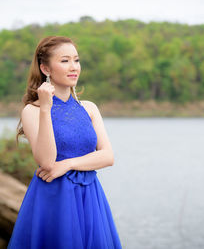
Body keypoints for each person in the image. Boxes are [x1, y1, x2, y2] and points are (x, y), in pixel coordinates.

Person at [8, 36, 122, 248]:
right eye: (64, 61)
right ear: (46, 68)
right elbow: (48, 162)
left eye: (76, 60)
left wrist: (68, 163)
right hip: (55, 199)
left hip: (90, 196)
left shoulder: (89, 108)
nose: (74, 67)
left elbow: (108, 156)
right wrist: (45, 108)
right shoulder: (32, 111)